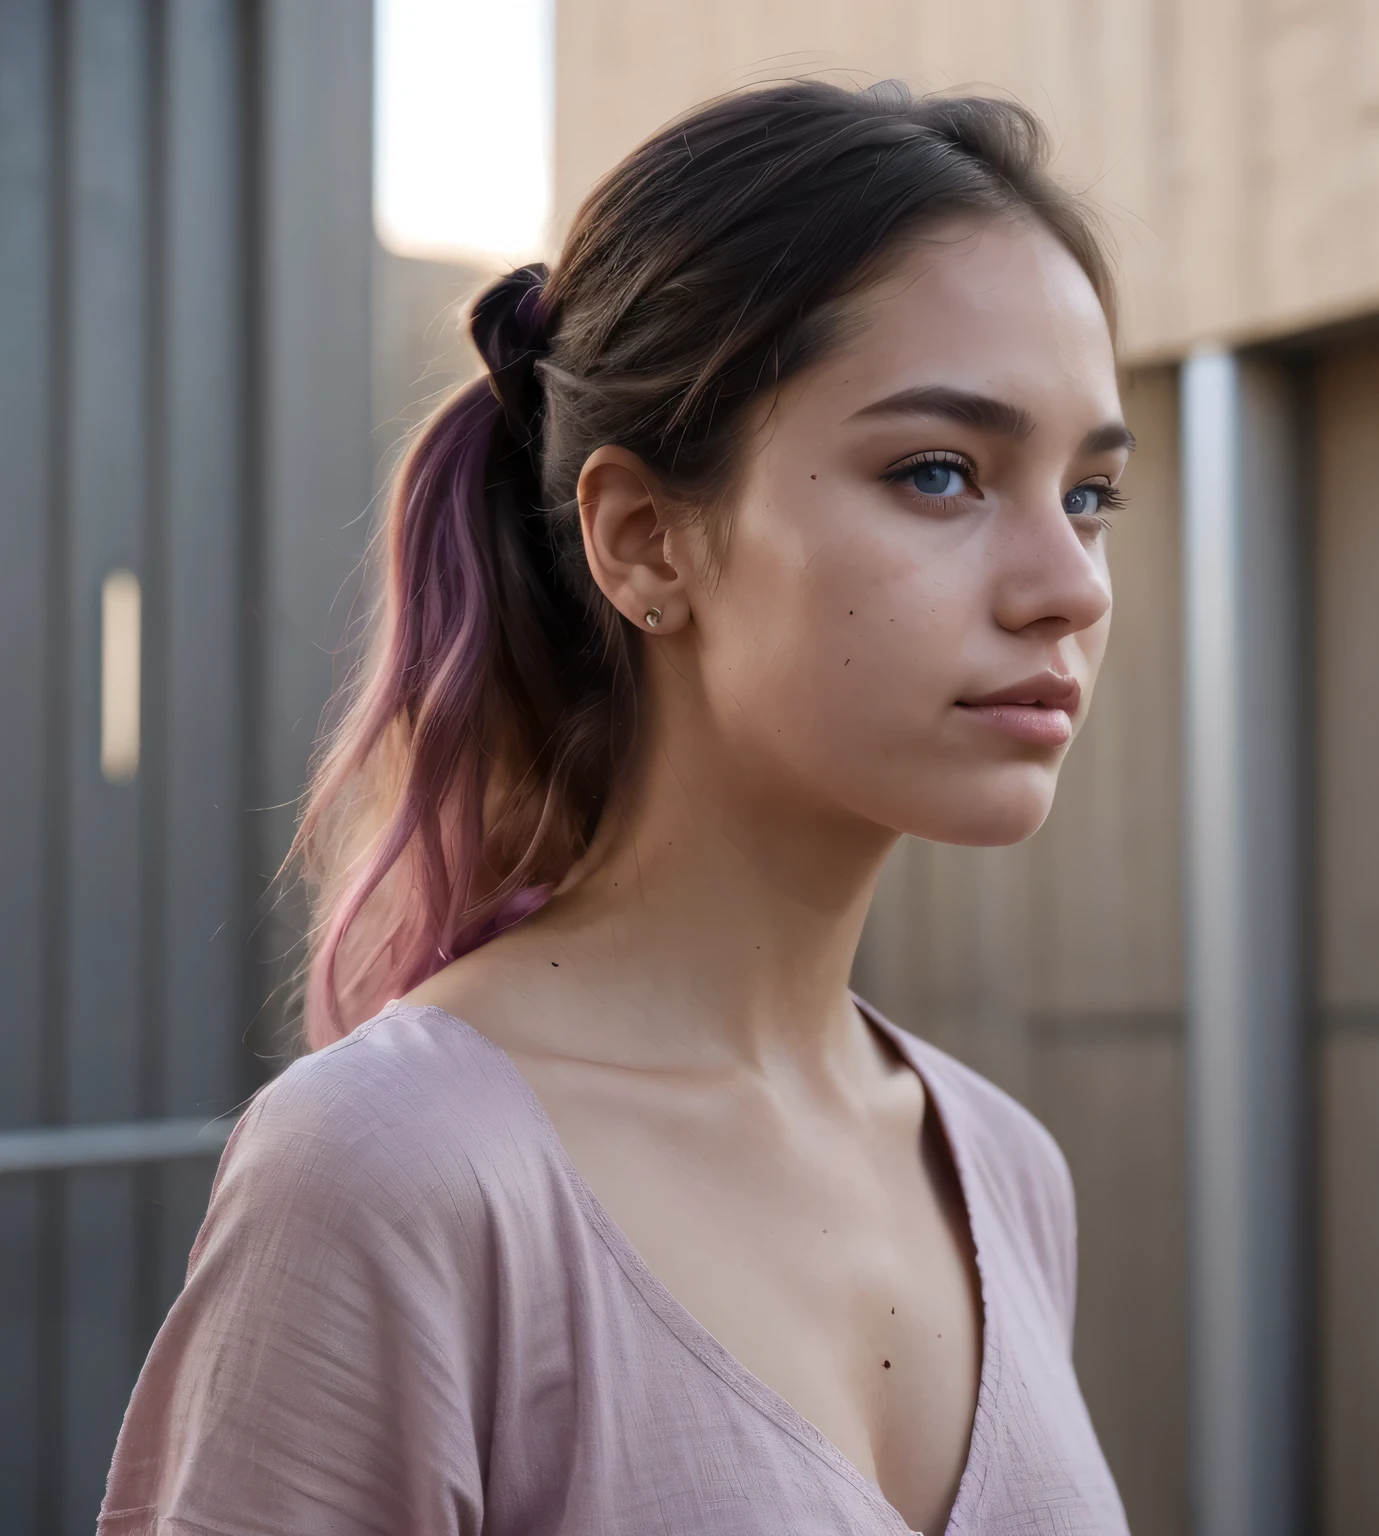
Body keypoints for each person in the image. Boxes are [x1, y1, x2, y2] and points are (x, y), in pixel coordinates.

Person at [99, 79, 1133, 1536]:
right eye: (942, 472)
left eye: (1091, 493)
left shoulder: (1003, 1172)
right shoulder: (397, 1173)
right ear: (645, 541)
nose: (1070, 586)